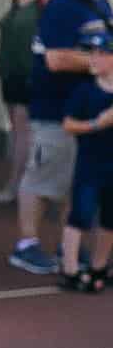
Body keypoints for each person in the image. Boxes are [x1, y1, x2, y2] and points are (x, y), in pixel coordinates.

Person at [11, 0, 113, 274]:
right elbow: (55, 58)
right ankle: (27, 245)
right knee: (42, 178)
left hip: (86, 112)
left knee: (75, 181)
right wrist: (102, 64)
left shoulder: (101, 4)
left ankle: (68, 249)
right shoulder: (61, 7)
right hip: (54, 109)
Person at [0, 0, 51, 203]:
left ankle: (18, 185)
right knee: (17, 130)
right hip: (9, 72)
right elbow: (8, 39)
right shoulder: (17, 0)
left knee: (24, 132)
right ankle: (24, 184)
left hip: (30, 73)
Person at [59, 31, 113, 290]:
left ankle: (99, 266)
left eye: (101, 54)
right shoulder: (85, 90)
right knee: (80, 213)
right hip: (91, 163)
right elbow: (68, 124)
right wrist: (97, 123)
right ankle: (69, 269)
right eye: (92, 53)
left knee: (109, 218)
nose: (93, 59)